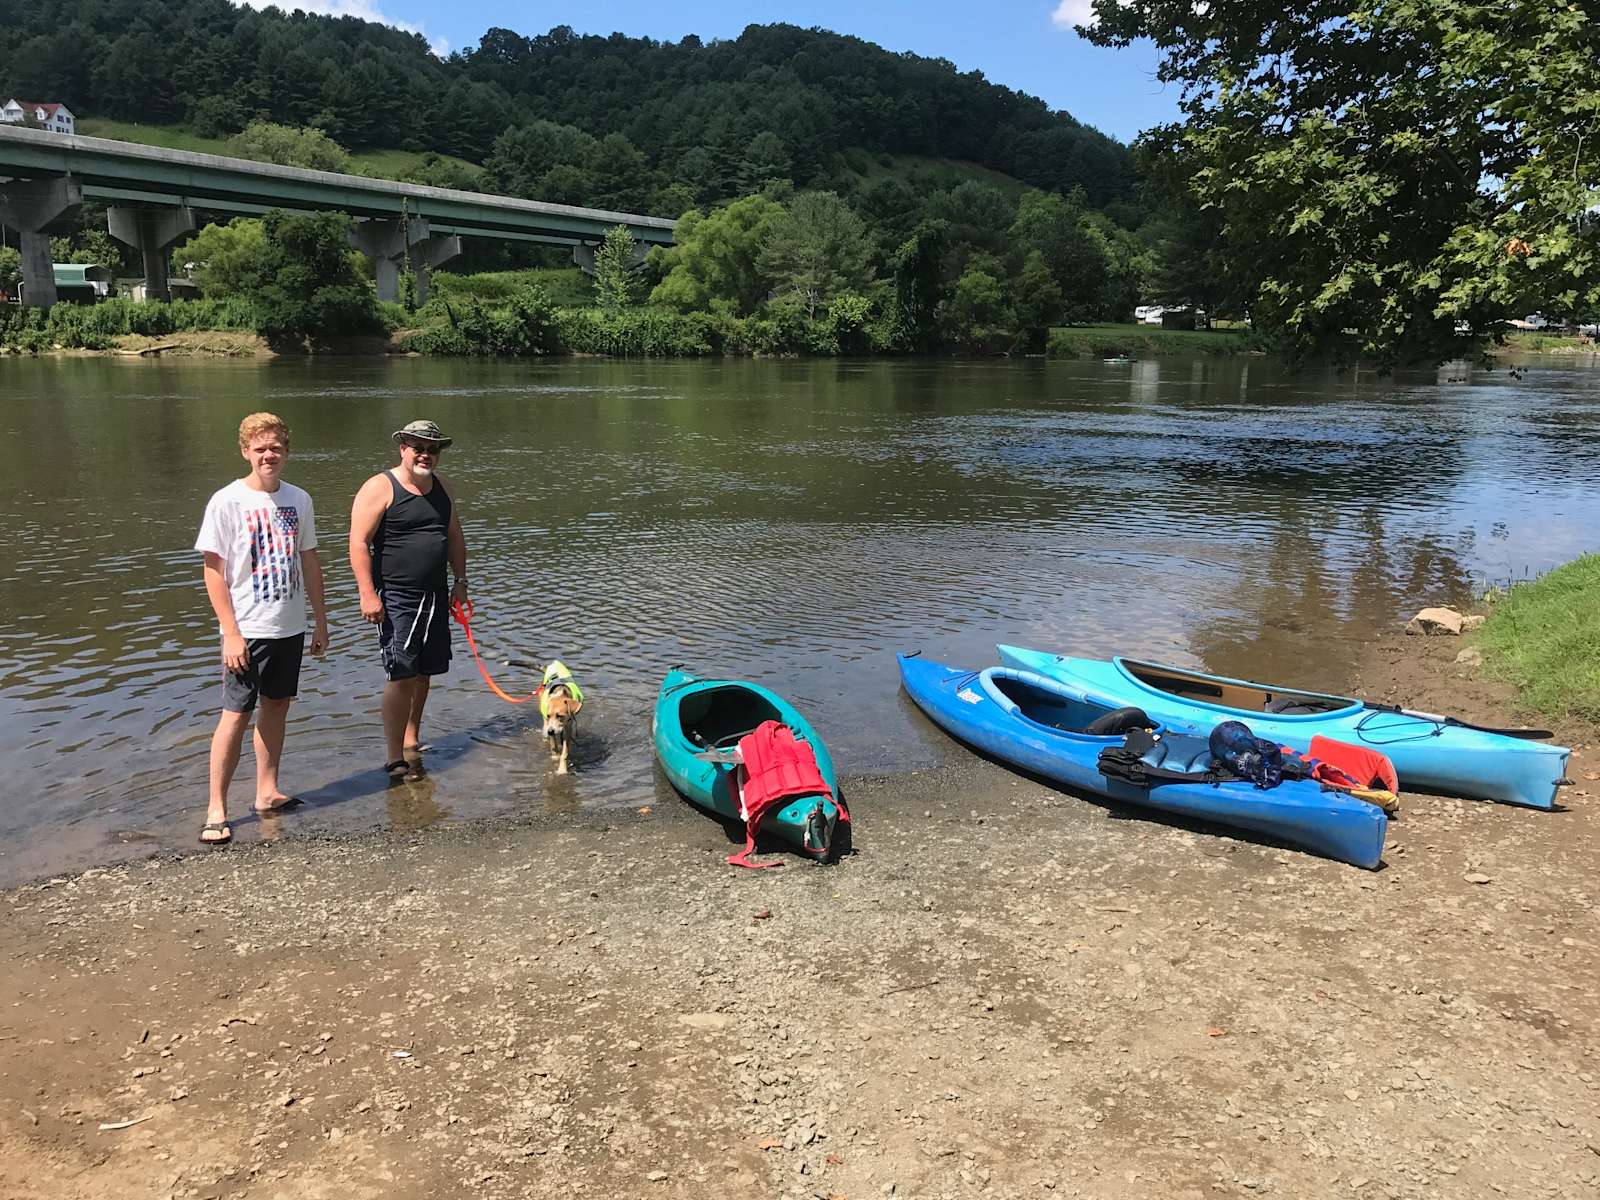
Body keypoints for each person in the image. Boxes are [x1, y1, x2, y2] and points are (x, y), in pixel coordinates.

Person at [194, 413, 329, 845]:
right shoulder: (227, 501)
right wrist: (230, 632)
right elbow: (213, 571)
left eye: (276, 448)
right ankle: (217, 808)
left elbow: (309, 560)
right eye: (260, 448)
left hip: (288, 626)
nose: (268, 455)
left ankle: (266, 792)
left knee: (277, 706)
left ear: (286, 452)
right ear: (245, 452)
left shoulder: (299, 499)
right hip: (247, 629)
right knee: (235, 716)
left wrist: (321, 621)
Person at [349, 419, 468, 779]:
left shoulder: (443, 488)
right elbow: (358, 542)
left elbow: (455, 537)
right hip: (397, 597)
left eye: (433, 449)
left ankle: (411, 738)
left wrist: (460, 582)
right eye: (418, 447)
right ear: (402, 448)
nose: (426, 455)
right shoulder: (379, 487)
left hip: (435, 594)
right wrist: (367, 593)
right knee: (401, 673)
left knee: (424, 673)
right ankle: (393, 756)